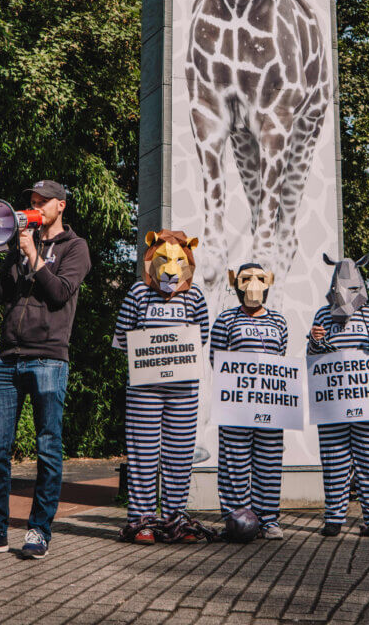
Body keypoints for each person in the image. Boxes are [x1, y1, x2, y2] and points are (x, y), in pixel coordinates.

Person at [0, 180, 90, 559]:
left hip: (48, 358)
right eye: (31, 202)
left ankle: (38, 532)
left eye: (42, 202)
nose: (35, 208)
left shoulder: (75, 247)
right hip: (7, 360)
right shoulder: (20, 245)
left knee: (48, 447)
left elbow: (60, 293)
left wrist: (34, 255)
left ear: (60, 206)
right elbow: (2, 297)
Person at [113, 229, 209, 543]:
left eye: (177, 260)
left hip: (183, 390)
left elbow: (200, 338)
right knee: (142, 454)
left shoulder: (195, 297)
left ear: (188, 261)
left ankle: (175, 521)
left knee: (179, 454)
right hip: (144, 389)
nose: (170, 268)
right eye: (164, 259)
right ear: (152, 259)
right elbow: (122, 339)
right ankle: (142, 521)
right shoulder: (137, 294)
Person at [307, 253, 369, 538]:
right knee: (334, 459)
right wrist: (315, 340)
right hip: (333, 402)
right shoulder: (322, 314)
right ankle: (334, 517)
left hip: (367, 401)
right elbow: (314, 357)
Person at [210, 263, 287, 540]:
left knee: (269, 461)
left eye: (259, 278)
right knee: (234, 462)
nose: (253, 284)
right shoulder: (225, 320)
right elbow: (216, 359)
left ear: (269, 282)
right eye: (246, 278)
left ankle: (268, 520)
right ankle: (237, 518)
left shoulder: (279, 322)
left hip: (270, 407)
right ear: (236, 283)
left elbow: (280, 360)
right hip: (235, 407)